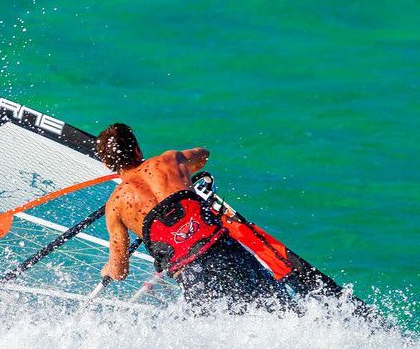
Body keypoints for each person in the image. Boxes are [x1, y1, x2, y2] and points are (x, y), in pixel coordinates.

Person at [95, 123, 295, 314]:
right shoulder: (168, 161)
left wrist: (109, 269)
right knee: (282, 310)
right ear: (137, 150)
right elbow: (203, 155)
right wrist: (180, 171)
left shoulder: (115, 206)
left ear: (107, 164)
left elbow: (120, 271)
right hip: (224, 251)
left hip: (192, 274)